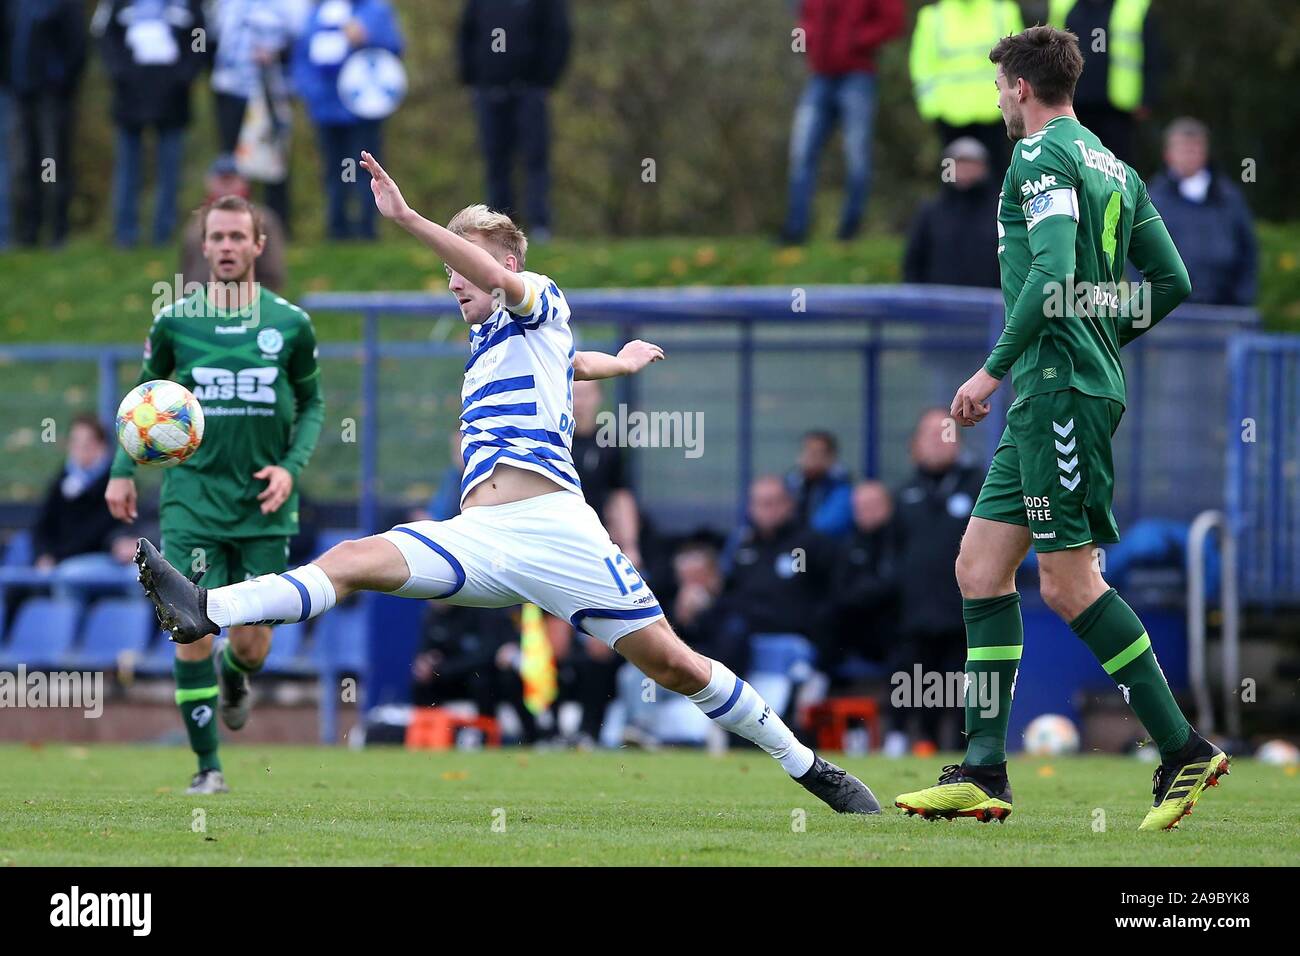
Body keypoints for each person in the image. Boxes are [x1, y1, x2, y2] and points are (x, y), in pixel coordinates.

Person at [134, 156, 880, 814]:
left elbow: (510, 289)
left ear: (505, 266)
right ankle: (204, 609)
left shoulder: (540, 293)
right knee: (354, 558)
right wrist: (612, 365)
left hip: (557, 531)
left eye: (466, 267)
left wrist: (408, 217)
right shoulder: (499, 339)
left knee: (673, 664)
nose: (455, 280)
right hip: (482, 537)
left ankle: (810, 768)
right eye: (451, 270)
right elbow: (562, 359)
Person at [897, 26, 1227, 831]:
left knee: (1069, 583)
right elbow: (1171, 281)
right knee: (980, 567)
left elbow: (1050, 274)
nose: (999, 101)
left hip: (1058, 398)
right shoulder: (1116, 164)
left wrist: (989, 371)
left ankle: (1183, 748)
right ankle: (982, 769)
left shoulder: (1040, 158)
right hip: (1058, 392)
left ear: (1018, 87)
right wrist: (1102, 330)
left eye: (1001, 87)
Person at [107, 194, 326, 796]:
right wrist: (121, 470)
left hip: (263, 504)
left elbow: (312, 405)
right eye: (217, 237)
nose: (227, 246)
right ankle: (208, 769)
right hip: (193, 502)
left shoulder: (289, 324)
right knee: (191, 628)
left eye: (238, 236)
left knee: (253, 642)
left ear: (258, 245)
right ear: (203, 247)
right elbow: (144, 403)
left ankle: (239, 674)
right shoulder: (174, 322)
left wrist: (290, 467)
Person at [889, 409, 983, 751]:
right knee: (917, 683)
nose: (938, 442)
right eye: (929, 435)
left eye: (945, 434)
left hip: (964, 609)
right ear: (914, 446)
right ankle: (913, 740)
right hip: (915, 613)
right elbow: (894, 549)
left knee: (965, 684)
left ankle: (969, 754)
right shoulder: (904, 494)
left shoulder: (979, 485)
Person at [779, 0, 905, 244]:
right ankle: (795, 230)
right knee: (801, 153)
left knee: (856, 155)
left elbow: (892, 22)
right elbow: (804, 16)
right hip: (820, 75)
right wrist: (811, 40)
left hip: (858, 74)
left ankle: (849, 231)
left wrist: (855, 41)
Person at [95, 0, 209, 247]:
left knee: (169, 169)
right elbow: (104, 37)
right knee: (127, 168)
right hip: (129, 96)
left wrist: (184, 75)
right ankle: (125, 234)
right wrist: (120, 73)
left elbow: (200, 37)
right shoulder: (117, 4)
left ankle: (163, 234)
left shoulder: (188, 4)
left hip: (173, 97)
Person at [457, 0, 570, 240]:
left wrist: (545, 81)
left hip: (530, 91)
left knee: (535, 159)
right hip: (489, 91)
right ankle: (498, 230)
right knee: (496, 162)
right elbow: (467, 33)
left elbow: (558, 34)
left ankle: (540, 225)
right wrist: (471, 79)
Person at [292, 0, 403, 240]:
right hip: (326, 108)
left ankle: (367, 231)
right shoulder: (317, 12)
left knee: (368, 173)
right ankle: (337, 231)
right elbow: (302, 57)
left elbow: (394, 48)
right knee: (334, 172)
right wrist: (311, 92)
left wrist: (367, 38)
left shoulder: (375, 10)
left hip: (364, 110)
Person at [721, 475, 837, 674]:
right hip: (745, 638)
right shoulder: (742, 545)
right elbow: (730, 593)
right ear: (750, 508)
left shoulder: (810, 544)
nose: (767, 510)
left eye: (773, 502)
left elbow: (829, 597)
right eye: (760, 503)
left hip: (795, 641)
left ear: (789, 504)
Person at [210, 0, 305, 232]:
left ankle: (276, 230)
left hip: (273, 91)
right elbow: (211, 37)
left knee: (275, 163)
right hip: (231, 90)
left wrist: (275, 55)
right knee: (232, 163)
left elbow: (301, 43)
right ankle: (233, 227)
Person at [1147, 118, 1258, 307]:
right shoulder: (1151, 199)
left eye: (1195, 149)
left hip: (1224, 308)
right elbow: (1137, 253)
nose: (1189, 156)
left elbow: (1248, 250)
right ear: (1168, 154)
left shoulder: (1228, 197)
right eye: (1183, 149)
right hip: (1169, 311)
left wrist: (1242, 299)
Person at [909, 0, 1023, 170]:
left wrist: (1014, 103)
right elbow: (922, 65)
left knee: (996, 174)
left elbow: (1018, 60)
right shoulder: (932, 17)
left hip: (994, 111)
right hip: (950, 111)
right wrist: (932, 107)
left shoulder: (1004, 11)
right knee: (951, 175)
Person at [33, 414, 136, 598]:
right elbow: (43, 524)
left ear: (101, 446)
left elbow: (100, 533)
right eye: (75, 443)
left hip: (99, 558)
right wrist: (44, 555)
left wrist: (58, 557)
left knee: (68, 575)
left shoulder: (116, 483)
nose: (79, 450)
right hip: (61, 557)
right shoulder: (63, 479)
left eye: (86, 444)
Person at [1047, 0, 1162, 165]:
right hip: (1073, 105)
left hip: (1117, 108)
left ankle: (1115, 193)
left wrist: (1147, 98)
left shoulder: (1133, 7)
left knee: (1117, 165)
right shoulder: (1063, 6)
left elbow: (1152, 54)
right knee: (1076, 163)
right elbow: (1049, 53)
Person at [11, 0, 86, 247]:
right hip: (20, 92)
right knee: (24, 165)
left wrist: (62, 82)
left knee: (50, 164)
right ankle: (27, 234)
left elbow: (77, 44)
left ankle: (56, 232)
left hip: (52, 96)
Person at [827, 479, 901, 684]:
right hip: (856, 625)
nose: (864, 512)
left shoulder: (898, 539)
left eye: (872, 506)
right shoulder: (848, 543)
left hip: (892, 626)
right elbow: (839, 590)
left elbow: (892, 584)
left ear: (888, 506)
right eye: (859, 507)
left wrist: (861, 592)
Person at [181, 155, 289, 292]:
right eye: (221, 179)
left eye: (231, 179)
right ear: (209, 182)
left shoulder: (263, 220)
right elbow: (185, 273)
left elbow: (273, 274)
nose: (226, 185)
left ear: (244, 182)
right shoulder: (194, 226)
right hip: (199, 305)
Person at [902, 137, 1001, 288]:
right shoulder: (930, 213)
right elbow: (913, 263)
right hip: (937, 305)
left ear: (984, 168)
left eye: (972, 163)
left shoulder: (1000, 212)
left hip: (989, 306)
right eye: (959, 164)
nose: (965, 170)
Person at [785, 429, 853, 538]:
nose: (809, 457)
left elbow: (827, 526)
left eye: (816, 453)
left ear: (831, 457)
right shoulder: (792, 483)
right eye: (806, 450)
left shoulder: (841, 487)